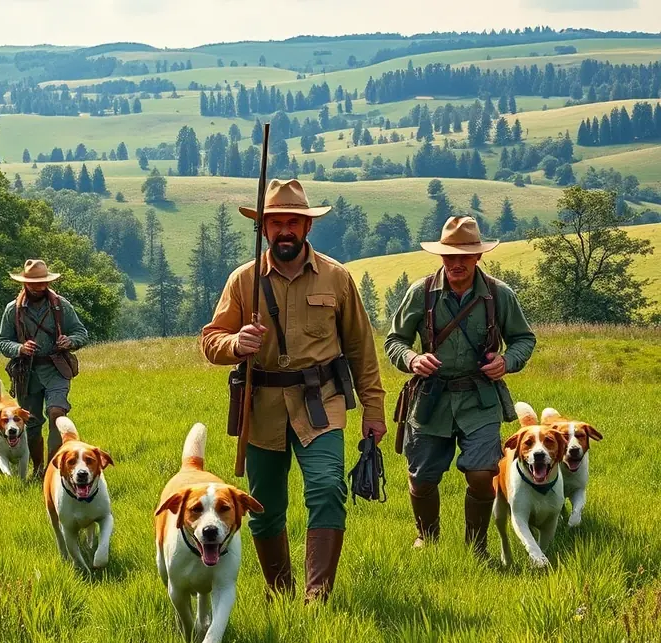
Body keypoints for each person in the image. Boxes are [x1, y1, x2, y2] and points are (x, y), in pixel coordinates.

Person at [201, 179, 386, 604]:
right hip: (260, 406)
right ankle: (279, 595)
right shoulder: (243, 279)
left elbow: (361, 348)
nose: (284, 230)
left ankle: (316, 598)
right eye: (276, 223)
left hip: (321, 402)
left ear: (307, 227)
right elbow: (211, 339)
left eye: (293, 222)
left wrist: (373, 411)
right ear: (264, 229)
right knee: (263, 507)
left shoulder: (337, 278)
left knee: (326, 489)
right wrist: (235, 345)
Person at [385, 215, 537, 557]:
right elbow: (394, 340)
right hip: (430, 398)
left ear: (477, 257)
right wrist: (412, 360)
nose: (456, 263)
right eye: (449, 256)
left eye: (463, 256)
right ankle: (428, 537)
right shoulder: (420, 293)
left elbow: (524, 339)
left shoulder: (500, 294)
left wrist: (507, 362)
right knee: (422, 478)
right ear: (441, 257)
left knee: (483, 475)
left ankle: (477, 546)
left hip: (480, 397)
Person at [0, 259, 89, 477]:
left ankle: (52, 470)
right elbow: (2, 341)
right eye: (33, 283)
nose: (38, 286)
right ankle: (38, 469)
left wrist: (70, 341)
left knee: (57, 413)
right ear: (25, 283)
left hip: (57, 367)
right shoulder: (13, 309)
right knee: (32, 423)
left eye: (42, 282)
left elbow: (81, 333)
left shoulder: (61, 305)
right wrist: (19, 348)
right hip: (26, 372)